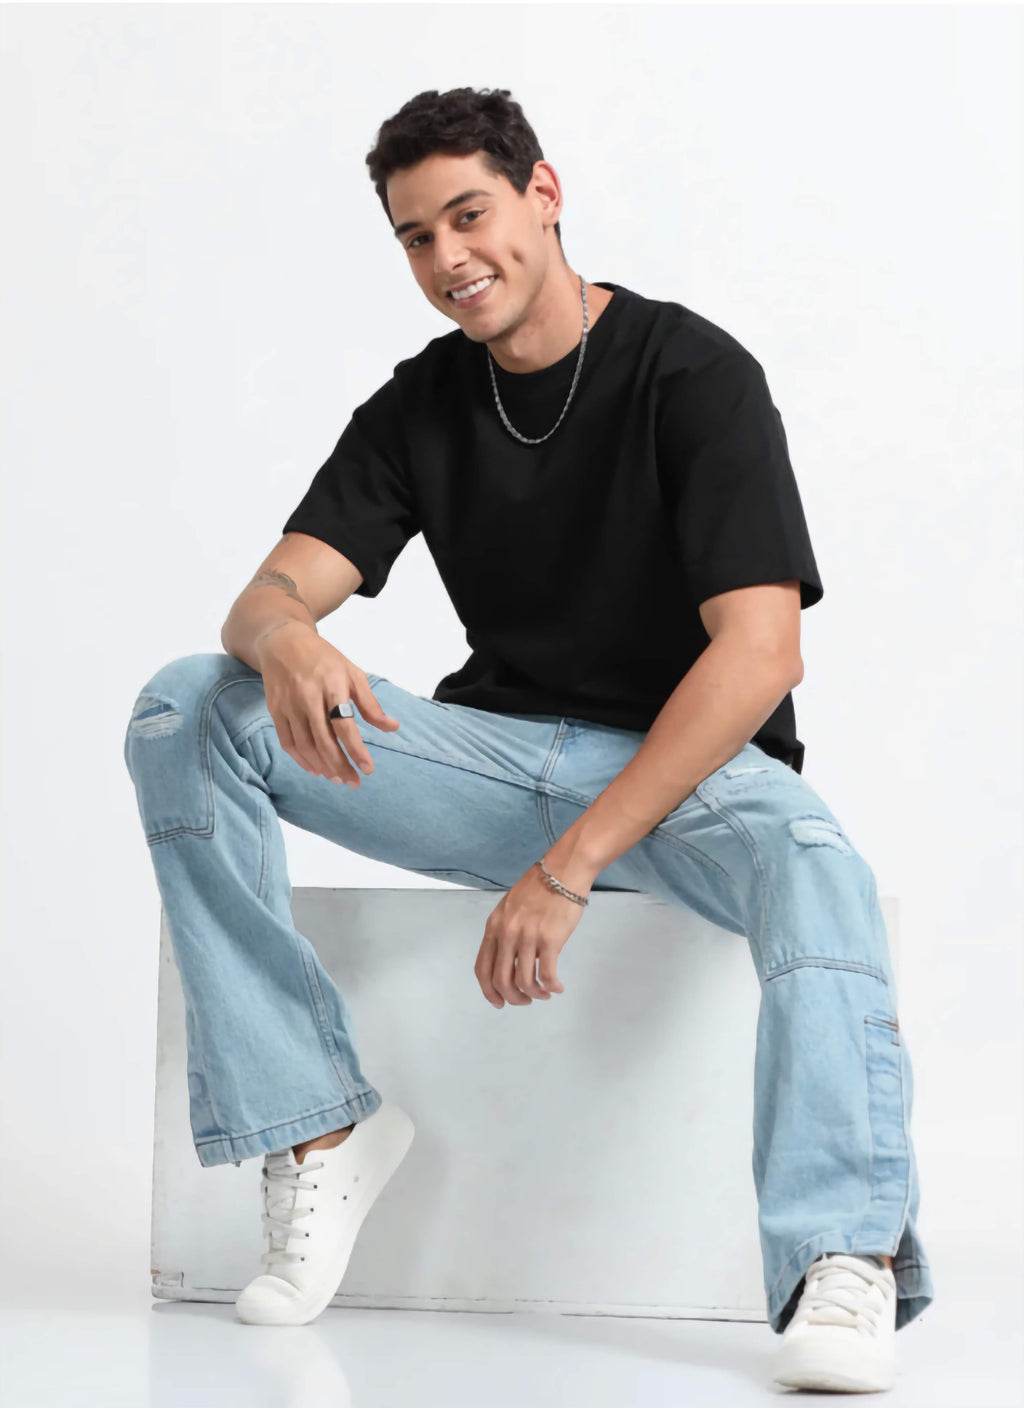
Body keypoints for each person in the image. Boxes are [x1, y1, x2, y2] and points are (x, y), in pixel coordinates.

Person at [123, 86, 932, 1387]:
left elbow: (761, 652)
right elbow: (264, 597)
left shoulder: (692, 373)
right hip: (492, 766)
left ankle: (842, 1256)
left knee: (821, 870)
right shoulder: (421, 406)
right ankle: (316, 1129)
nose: (450, 259)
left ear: (543, 197)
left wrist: (570, 867)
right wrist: (288, 640)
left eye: (470, 215)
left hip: (690, 777)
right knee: (185, 702)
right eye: (415, 236)